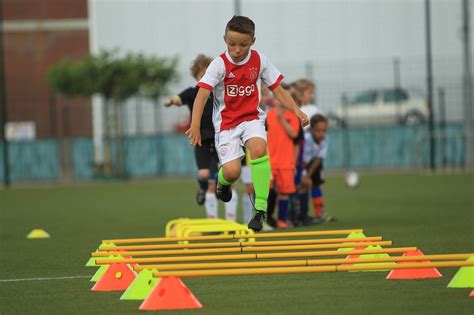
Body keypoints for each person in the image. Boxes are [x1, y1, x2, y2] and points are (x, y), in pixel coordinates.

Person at [186, 15, 309, 232]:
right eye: (231, 44)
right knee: (232, 172)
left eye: (243, 45)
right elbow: (202, 95)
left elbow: (278, 89)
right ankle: (222, 184)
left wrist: (296, 110)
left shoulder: (259, 60)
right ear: (225, 39)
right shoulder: (219, 64)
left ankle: (260, 208)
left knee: (259, 149)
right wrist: (194, 125)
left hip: (252, 117)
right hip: (227, 125)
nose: (236, 50)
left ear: (253, 41)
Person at [164, 54, 220, 219]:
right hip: (200, 139)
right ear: (196, 76)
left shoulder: (218, 92)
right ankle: (202, 188)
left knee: (215, 177)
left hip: (219, 139)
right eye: (201, 75)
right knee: (204, 175)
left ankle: (214, 219)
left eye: (207, 74)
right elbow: (178, 98)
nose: (205, 77)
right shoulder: (192, 92)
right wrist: (171, 101)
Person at [266, 84, 300, 228]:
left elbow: (294, 134)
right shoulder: (267, 116)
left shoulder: (292, 115)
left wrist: (281, 118)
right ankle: (265, 219)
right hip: (269, 162)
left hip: (286, 163)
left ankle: (281, 220)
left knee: (284, 193)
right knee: (265, 191)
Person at [301, 114, 333, 223]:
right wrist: (304, 175)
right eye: (318, 131)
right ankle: (299, 214)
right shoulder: (306, 139)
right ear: (311, 130)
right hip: (301, 164)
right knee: (302, 185)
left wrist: (308, 175)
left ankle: (320, 213)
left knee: (317, 184)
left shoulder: (325, 140)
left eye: (324, 131)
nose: (321, 134)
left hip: (314, 163)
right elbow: (303, 161)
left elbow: (318, 159)